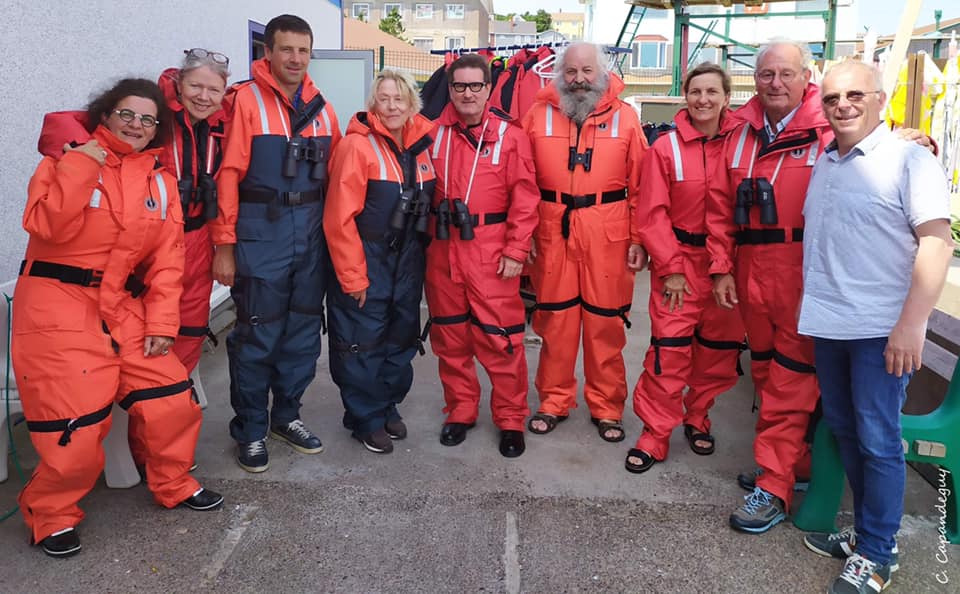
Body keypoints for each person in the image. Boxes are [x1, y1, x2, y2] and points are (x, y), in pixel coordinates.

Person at [706, 40, 933, 534]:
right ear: (755, 80)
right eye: (766, 75)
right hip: (751, 268)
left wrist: (908, 138)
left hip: (805, 272)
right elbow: (720, 205)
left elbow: (873, 144)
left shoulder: (826, 128)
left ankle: (774, 481)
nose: (776, 84)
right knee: (766, 376)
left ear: (805, 76)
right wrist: (723, 266)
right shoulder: (739, 133)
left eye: (787, 74)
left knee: (789, 381)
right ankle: (789, 464)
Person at [14, 78, 224, 558]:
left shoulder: (160, 181)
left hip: (121, 308)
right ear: (104, 116)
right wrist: (82, 162)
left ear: (158, 130)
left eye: (148, 119)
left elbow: (169, 264)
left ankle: (173, 482)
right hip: (56, 307)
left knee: (174, 397)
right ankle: (51, 514)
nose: (137, 125)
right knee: (77, 425)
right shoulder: (63, 162)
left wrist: (160, 326)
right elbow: (48, 224)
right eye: (126, 114)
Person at [798, 60, 952, 594]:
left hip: (880, 333)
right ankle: (868, 535)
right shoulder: (829, 160)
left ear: (881, 99)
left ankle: (879, 554)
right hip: (830, 324)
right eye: (833, 97)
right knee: (847, 433)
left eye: (855, 94)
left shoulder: (910, 160)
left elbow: (937, 240)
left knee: (878, 440)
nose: (843, 104)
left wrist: (912, 326)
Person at [211, 14, 341, 472]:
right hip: (260, 233)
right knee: (256, 336)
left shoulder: (323, 109)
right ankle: (249, 428)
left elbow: (342, 179)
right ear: (268, 52)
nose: (295, 59)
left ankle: (286, 415)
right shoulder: (244, 101)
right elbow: (228, 176)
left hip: (310, 235)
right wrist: (224, 245)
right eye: (286, 49)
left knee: (303, 335)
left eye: (303, 50)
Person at [522, 42, 648, 442]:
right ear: (560, 74)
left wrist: (638, 238)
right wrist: (521, 236)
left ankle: (607, 406)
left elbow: (642, 186)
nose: (579, 80)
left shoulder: (627, 119)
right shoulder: (537, 116)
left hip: (607, 233)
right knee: (554, 320)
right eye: (571, 71)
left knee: (604, 323)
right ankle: (553, 400)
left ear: (603, 72)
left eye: (587, 71)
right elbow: (520, 182)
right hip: (551, 229)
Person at [625, 63, 745, 474]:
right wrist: (671, 268)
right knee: (669, 353)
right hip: (678, 266)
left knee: (716, 354)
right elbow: (652, 212)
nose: (703, 100)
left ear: (727, 98)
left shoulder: (742, 144)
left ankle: (697, 417)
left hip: (727, 270)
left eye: (712, 92)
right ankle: (655, 434)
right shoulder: (665, 148)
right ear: (685, 96)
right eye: (696, 92)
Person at [424, 54, 540, 458]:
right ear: (450, 90)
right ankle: (461, 409)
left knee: (502, 339)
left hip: (491, 252)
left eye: (476, 86)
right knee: (450, 336)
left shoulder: (511, 136)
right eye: (460, 86)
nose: (468, 93)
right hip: (442, 250)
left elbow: (526, 199)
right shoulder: (433, 133)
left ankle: (510, 418)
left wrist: (516, 251)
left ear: (489, 89)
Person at [323, 70, 435, 454]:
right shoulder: (357, 147)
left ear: (411, 104)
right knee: (360, 341)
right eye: (383, 98)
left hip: (407, 259)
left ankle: (386, 405)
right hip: (368, 256)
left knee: (400, 336)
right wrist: (353, 276)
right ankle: (364, 417)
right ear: (373, 103)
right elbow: (338, 218)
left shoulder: (420, 147)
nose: (391, 106)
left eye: (398, 99)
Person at [158, 48, 229, 373]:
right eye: (195, 87)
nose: (204, 97)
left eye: (213, 89)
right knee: (153, 332)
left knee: (189, 331)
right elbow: (74, 125)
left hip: (199, 240)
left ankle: (176, 397)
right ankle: (153, 409)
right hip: (154, 247)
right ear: (179, 83)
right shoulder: (152, 114)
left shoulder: (222, 124)